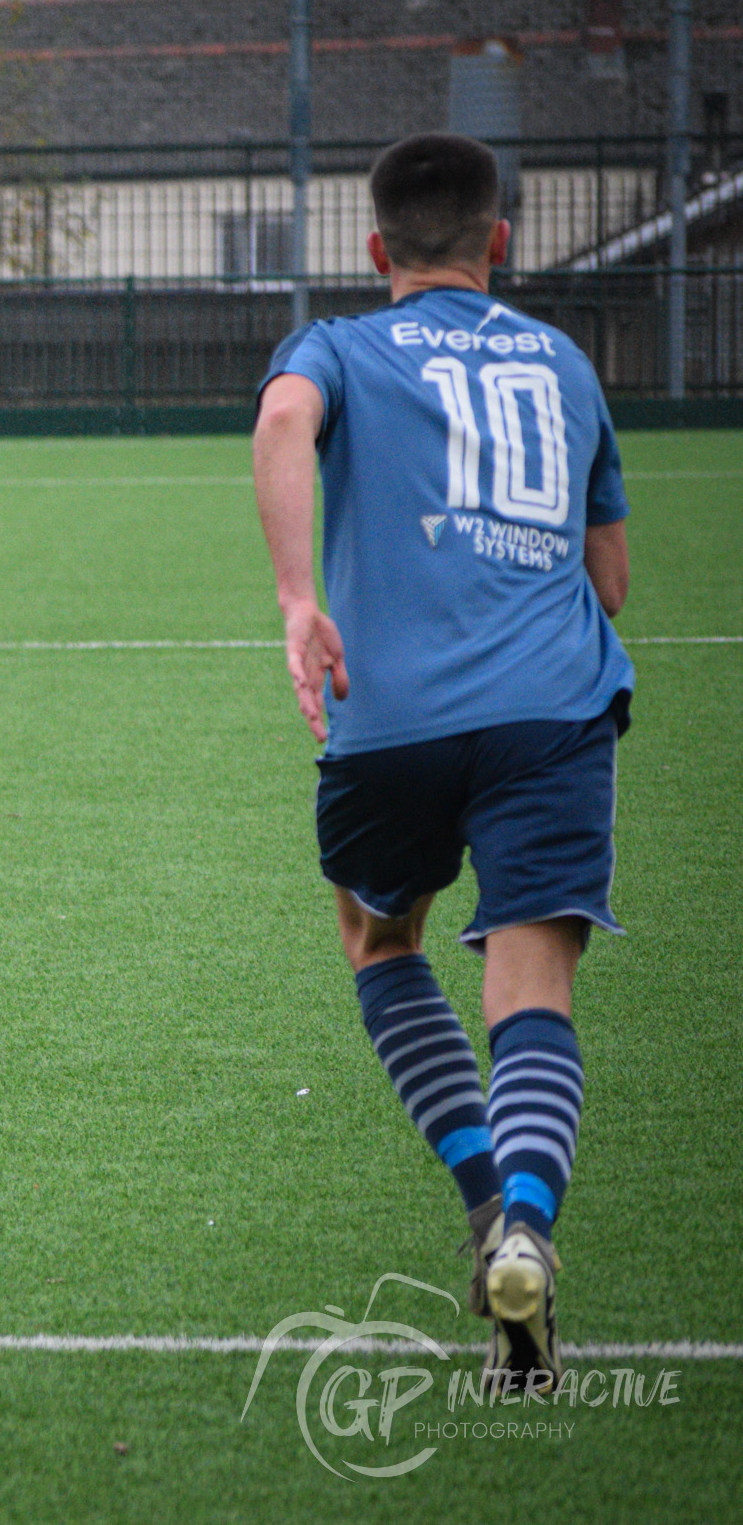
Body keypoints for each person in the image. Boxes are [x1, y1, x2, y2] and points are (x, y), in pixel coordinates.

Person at [253, 134, 632, 1395]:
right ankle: (529, 1219)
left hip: (391, 710)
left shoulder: (343, 343)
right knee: (531, 983)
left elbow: (283, 418)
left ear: (375, 251)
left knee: (381, 941)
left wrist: (301, 598)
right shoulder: (567, 362)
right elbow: (611, 579)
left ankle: (484, 1207)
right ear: (500, 244)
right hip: (553, 709)